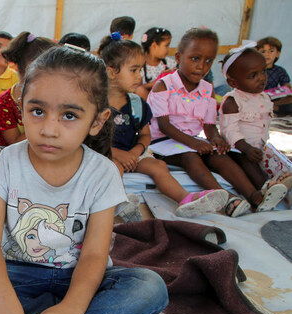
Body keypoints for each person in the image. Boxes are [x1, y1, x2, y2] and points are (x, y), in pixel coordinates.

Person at [0, 46, 168, 314]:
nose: (49, 129)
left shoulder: (103, 173)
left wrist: (71, 309)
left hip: (81, 280)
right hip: (19, 275)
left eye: (69, 115)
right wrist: (5, 301)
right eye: (37, 111)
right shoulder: (7, 162)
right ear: (21, 108)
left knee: (151, 287)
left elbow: (95, 254)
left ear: (97, 121)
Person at [148, 28, 279, 216]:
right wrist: (195, 143)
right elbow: (164, 126)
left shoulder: (207, 89)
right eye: (195, 58)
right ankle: (226, 198)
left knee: (220, 155)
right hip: (163, 144)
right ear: (178, 57)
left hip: (193, 141)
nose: (202, 66)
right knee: (191, 157)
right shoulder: (164, 86)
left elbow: (209, 126)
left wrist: (216, 139)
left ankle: (254, 196)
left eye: (208, 60)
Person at [100, 34, 228, 218]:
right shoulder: (96, 105)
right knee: (115, 168)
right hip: (106, 154)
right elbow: (89, 140)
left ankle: (186, 199)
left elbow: (145, 135)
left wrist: (136, 152)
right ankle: (120, 202)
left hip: (132, 154)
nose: (140, 77)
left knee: (159, 166)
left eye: (141, 70)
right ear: (112, 72)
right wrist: (119, 155)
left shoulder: (137, 103)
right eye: (134, 70)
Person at [219, 44, 290, 205]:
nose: (262, 78)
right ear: (233, 82)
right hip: (239, 149)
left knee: (277, 163)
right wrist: (246, 148)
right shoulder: (232, 101)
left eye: (263, 71)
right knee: (248, 164)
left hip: (258, 148)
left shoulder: (264, 97)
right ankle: (265, 190)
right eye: (253, 75)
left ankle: (281, 185)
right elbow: (229, 131)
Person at [0, 32, 56, 171]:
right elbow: (14, 143)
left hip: (50, 152)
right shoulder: (4, 102)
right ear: (17, 66)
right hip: (14, 155)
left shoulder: (59, 98)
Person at [137, 27, 175, 100]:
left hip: (167, 100)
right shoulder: (139, 66)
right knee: (140, 90)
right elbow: (135, 88)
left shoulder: (170, 63)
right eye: (166, 45)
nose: (168, 49)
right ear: (154, 45)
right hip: (149, 103)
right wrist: (159, 80)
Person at [257, 36, 292, 115]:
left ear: (277, 53)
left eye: (271, 51)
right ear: (257, 53)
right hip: (256, 98)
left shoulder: (280, 71)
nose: (267, 54)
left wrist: (275, 103)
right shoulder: (254, 69)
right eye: (263, 51)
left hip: (273, 100)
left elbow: (288, 90)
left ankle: (272, 107)